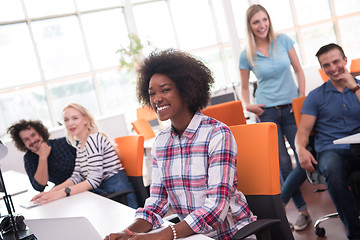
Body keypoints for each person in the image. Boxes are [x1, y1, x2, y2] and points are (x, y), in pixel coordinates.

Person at [105, 49, 256, 240]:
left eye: (165, 90)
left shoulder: (217, 134)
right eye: (152, 93)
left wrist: (163, 235)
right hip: (192, 235)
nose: (157, 99)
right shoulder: (161, 143)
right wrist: (127, 233)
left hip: (230, 234)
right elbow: (157, 203)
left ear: (187, 90)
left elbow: (216, 209)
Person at [239, 4, 310, 231]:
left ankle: (280, 201)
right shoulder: (246, 54)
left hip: (290, 108)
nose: (262, 25)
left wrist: (300, 99)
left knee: (304, 158)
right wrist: (249, 105)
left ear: (269, 20)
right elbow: (243, 88)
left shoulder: (284, 41)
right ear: (250, 26)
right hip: (266, 111)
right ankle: (303, 211)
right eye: (256, 22)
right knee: (282, 163)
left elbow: (299, 70)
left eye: (264, 20)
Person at [295, 43, 360, 239]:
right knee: (332, 169)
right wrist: (300, 149)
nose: (332, 68)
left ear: (345, 61)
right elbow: (303, 131)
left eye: (336, 62)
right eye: (326, 65)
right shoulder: (316, 97)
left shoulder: (358, 86)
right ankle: (355, 232)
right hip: (332, 150)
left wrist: (354, 87)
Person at [31, 103, 138, 209]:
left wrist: (60, 193)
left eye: (75, 118)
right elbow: (77, 176)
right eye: (66, 120)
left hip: (119, 197)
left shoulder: (93, 139)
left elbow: (93, 181)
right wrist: (50, 192)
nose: (70, 123)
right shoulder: (80, 145)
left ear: (85, 120)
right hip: (106, 195)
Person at [7, 120, 76, 192]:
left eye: (33, 135)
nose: (32, 141)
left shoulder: (64, 143)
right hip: (64, 191)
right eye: (26, 139)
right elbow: (39, 186)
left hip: (82, 185)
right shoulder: (29, 158)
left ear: (40, 133)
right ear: (22, 143)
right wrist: (43, 157)